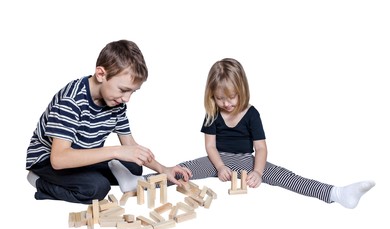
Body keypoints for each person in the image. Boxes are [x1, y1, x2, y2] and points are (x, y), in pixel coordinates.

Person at [108, 58, 375, 209]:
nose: (226, 103)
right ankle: (135, 183)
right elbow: (210, 147)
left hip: (247, 162)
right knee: (182, 170)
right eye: (220, 98)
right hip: (217, 160)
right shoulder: (212, 113)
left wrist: (258, 172)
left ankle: (336, 193)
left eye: (231, 98)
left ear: (242, 90)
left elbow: (261, 148)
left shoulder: (252, 114)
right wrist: (221, 167)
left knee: (284, 176)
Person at [26, 40, 191, 204]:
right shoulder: (71, 101)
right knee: (97, 188)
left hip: (82, 155)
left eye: (133, 92)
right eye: (123, 90)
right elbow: (59, 159)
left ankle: (87, 175)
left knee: (135, 166)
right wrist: (116, 152)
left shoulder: (115, 102)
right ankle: (40, 182)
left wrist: (163, 169)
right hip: (48, 160)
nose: (126, 99)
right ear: (101, 74)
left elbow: (130, 145)